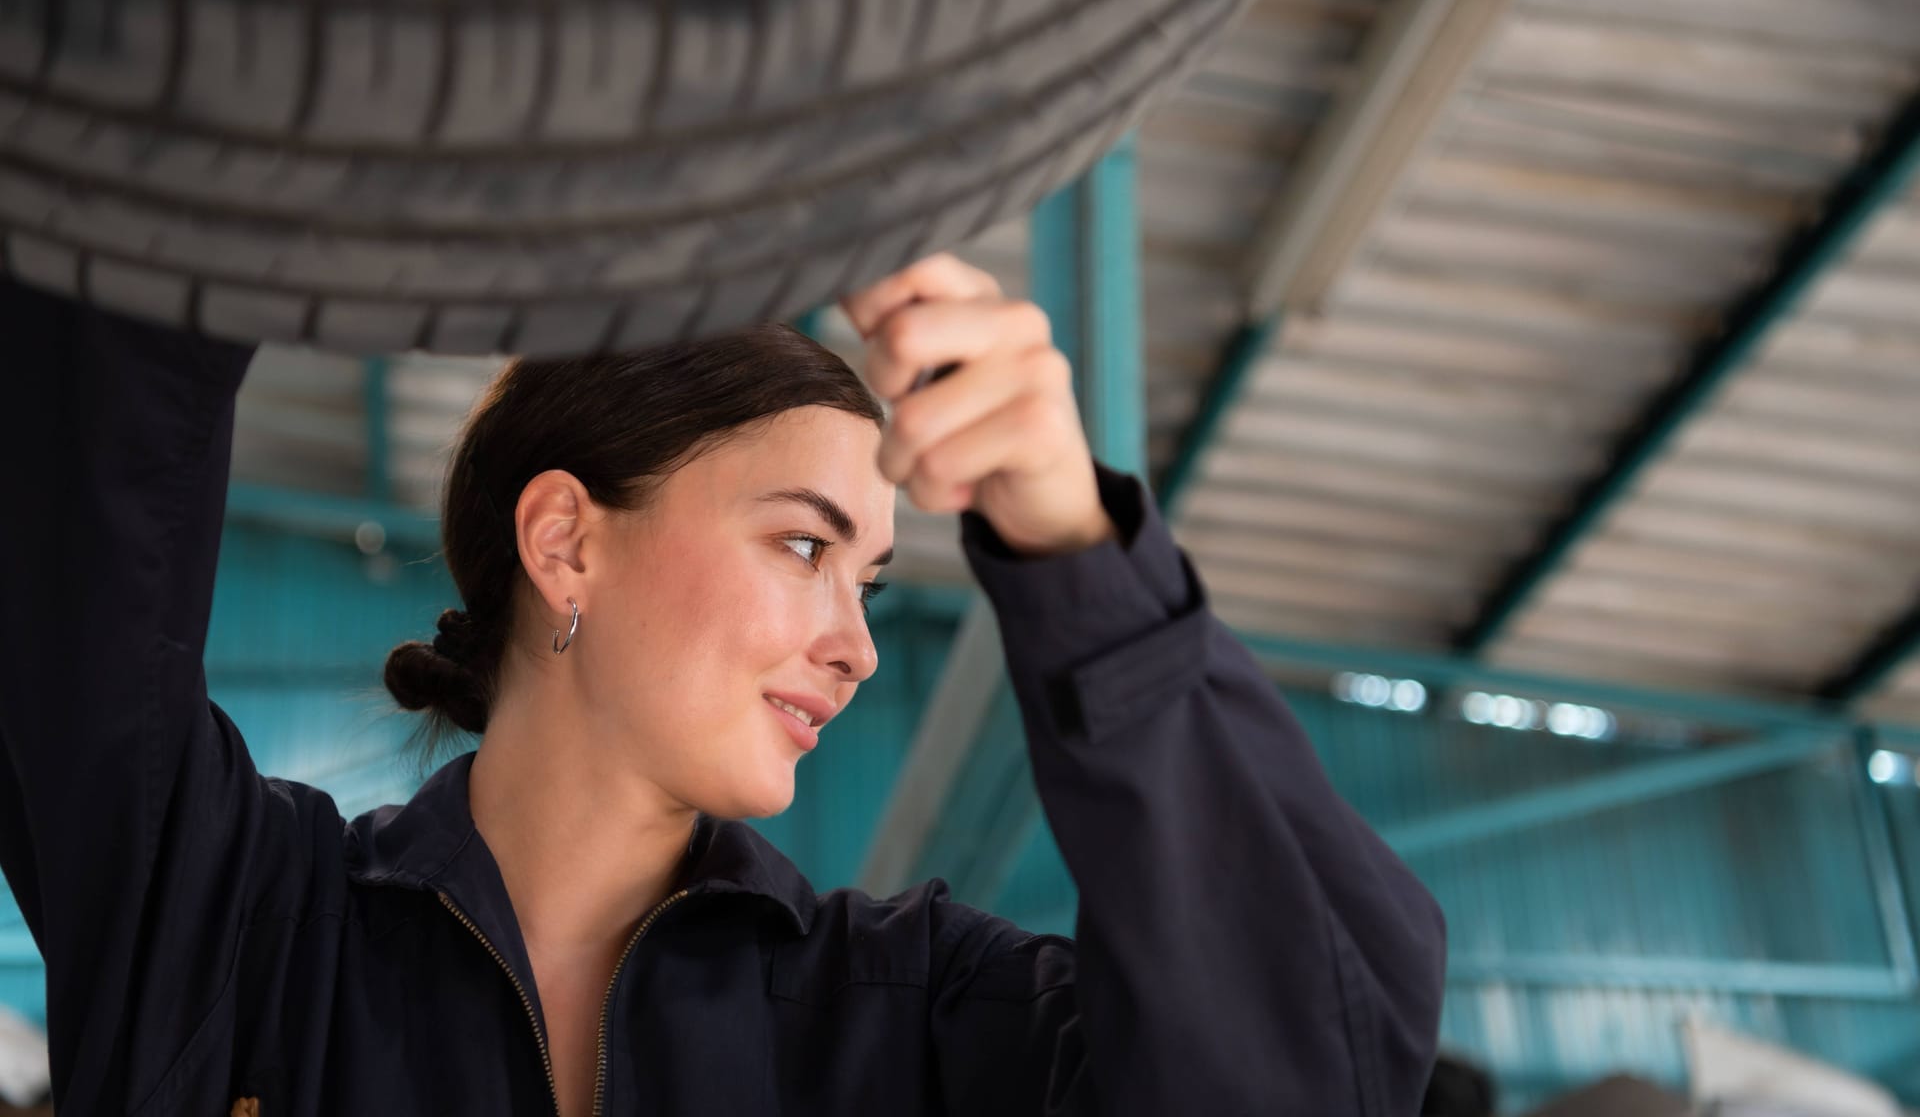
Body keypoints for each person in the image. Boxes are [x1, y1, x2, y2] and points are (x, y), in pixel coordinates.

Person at [0, 251, 1445, 1116]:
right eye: (805, 545)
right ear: (567, 542)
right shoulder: (237, 924)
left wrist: (1075, 550)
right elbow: (70, 551)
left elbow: (1309, 1072)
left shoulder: (908, 1016)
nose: (858, 642)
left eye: (871, 578)